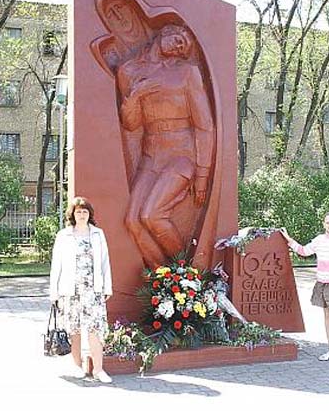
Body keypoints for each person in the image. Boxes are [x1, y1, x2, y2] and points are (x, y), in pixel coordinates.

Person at [117, 23, 214, 268]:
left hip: (181, 155)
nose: (179, 44)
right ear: (163, 33)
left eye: (184, 45)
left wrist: (202, 175)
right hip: (151, 155)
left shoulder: (187, 72)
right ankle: (167, 282)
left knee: (152, 214)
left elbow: (204, 126)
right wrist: (136, 95)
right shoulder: (129, 70)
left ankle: (186, 272)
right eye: (177, 37)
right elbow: (131, 124)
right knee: (133, 220)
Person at [49, 197, 113, 383]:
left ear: (89, 215)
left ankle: (99, 370)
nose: (82, 215)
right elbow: (56, 266)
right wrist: (54, 292)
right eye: (78, 212)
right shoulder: (64, 235)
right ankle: (77, 366)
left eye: (85, 212)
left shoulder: (98, 234)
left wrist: (107, 286)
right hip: (71, 290)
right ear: (73, 214)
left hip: (93, 291)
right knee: (74, 329)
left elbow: (105, 263)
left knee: (95, 329)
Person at [280, 212, 329, 362]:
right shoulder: (319, 240)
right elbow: (304, 251)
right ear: (323, 224)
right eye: (327, 222)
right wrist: (289, 239)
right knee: (326, 318)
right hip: (321, 283)